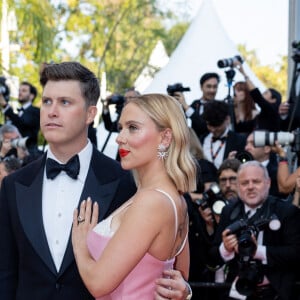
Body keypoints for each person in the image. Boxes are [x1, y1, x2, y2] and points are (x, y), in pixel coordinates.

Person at [0, 62, 191, 300]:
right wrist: (185, 290)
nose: (51, 111)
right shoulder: (13, 184)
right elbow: (6, 273)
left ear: (91, 113)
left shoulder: (127, 184)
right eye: (47, 101)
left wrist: (184, 289)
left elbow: (171, 265)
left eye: (65, 102)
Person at [71, 93, 197, 299]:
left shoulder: (152, 202)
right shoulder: (174, 200)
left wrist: (80, 243)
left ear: (165, 138)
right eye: (121, 128)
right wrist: (188, 292)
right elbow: (178, 280)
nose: (120, 137)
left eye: (133, 127)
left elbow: (98, 283)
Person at [210, 161, 300, 300]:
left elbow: (296, 253)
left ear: (268, 183)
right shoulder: (229, 211)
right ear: (239, 187)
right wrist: (226, 248)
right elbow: (212, 255)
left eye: (256, 181)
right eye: (245, 183)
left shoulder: (285, 211)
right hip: (237, 292)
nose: (250, 187)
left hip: (276, 293)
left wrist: (257, 251)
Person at [234, 61, 282, 132]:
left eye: (266, 93)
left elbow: (257, 96)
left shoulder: (273, 112)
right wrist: (235, 108)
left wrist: (243, 73)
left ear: (273, 100)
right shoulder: (259, 117)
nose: (262, 94)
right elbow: (242, 128)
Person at [174, 72, 220, 140]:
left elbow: (203, 126)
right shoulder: (196, 103)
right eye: (209, 86)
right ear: (201, 87)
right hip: (195, 147)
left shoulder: (219, 106)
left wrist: (186, 106)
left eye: (215, 87)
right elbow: (180, 121)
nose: (212, 90)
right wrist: (176, 103)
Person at [201, 100, 246, 169]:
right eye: (210, 125)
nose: (213, 129)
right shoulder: (201, 139)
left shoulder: (240, 140)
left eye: (217, 125)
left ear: (227, 119)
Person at [0, 81, 40, 153]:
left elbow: (23, 124)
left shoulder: (35, 111)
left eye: (24, 90)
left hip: (28, 155)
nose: (20, 93)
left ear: (31, 96)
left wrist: (5, 106)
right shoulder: (17, 114)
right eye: (19, 90)